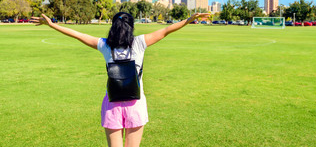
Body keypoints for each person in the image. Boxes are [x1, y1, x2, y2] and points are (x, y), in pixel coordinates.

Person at [31, 12, 210, 147]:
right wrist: (188, 20)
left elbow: (77, 34)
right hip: (136, 104)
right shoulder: (140, 42)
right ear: (131, 26)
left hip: (112, 105)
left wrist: (52, 25)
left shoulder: (105, 45)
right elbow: (166, 30)